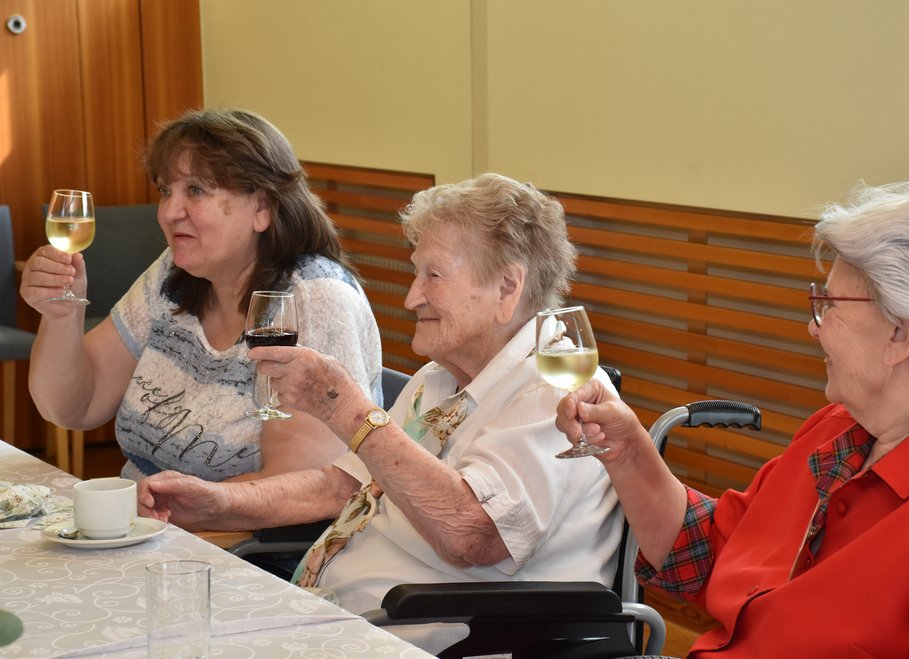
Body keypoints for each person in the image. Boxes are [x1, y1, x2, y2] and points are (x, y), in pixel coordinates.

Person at [137, 173, 622, 652]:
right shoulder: (439, 379)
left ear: (506, 288)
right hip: (340, 620)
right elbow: (342, 485)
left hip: (437, 639)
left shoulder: (556, 391)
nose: (412, 297)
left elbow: (473, 537)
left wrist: (346, 408)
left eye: (434, 275)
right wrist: (216, 503)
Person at [556, 176, 909, 657]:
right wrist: (628, 450)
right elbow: (711, 554)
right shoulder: (837, 432)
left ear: (901, 335)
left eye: (829, 305)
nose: (812, 326)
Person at [20, 108, 382, 482]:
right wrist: (61, 315)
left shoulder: (314, 300)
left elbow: (297, 483)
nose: (169, 212)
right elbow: (73, 406)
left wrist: (158, 516)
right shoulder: (174, 274)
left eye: (195, 190)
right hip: (154, 524)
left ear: (262, 207)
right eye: (165, 190)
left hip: (230, 537)